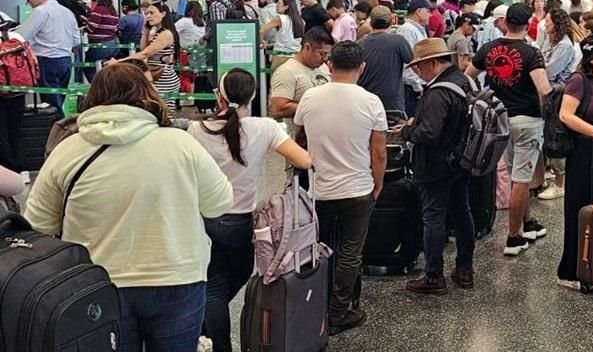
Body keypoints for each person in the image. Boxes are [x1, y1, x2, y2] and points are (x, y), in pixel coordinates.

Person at [24, 62, 233, 352]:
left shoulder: (67, 150)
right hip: (177, 276)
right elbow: (220, 203)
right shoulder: (179, 144)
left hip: (97, 283)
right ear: (148, 95)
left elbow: (37, 224)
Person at [188, 68, 311, 352]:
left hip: (203, 219)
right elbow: (304, 161)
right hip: (240, 220)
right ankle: (212, 327)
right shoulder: (264, 128)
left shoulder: (197, 130)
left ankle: (214, 335)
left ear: (219, 96)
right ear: (253, 95)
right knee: (239, 273)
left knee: (214, 284)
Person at [294, 41, 387, 335]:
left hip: (321, 189)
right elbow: (379, 151)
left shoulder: (310, 97)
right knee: (350, 251)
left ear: (330, 65)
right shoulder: (371, 101)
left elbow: (300, 138)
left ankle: (315, 304)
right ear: (362, 67)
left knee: (320, 248)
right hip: (358, 188)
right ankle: (338, 312)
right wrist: (378, 182)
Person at [467, 3, 552, 257]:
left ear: (505, 23)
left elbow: (469, 76)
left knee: (517, 174)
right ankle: (513, 237)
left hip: (500, 120)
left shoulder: (488, 49)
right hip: (527, 119)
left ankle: (528, 222)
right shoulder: (531, 52)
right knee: (521, 178)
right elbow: (544, 89)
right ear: (527, 25)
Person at [401, 38, 476, 295]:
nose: (416, 71)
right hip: (461, 160)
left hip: (435, 165)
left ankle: (434, 276)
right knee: (462, 212)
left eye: (419, 66)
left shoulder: (437, 92)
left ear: (432, 63)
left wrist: (408, 130)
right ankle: (465, 269)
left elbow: (429, 133)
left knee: (433, 217)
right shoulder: (463, 81)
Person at [554, 34, 593, 290]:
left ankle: (592, 262)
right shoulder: (578, 81)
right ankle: (569, 270)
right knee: (579, 207)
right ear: (592, 58)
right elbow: (566, 115)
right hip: (582, 150)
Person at [538, 8, 583, 202]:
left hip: (559, 94)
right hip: (550, 94)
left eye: (548, 21)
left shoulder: (564, 46)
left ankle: (559, 183)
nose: (544, 24)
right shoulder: (551, 41)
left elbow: (548, 71)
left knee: (557, 136)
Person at [18, 0, 81, 116]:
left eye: (29, 2)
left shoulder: (40, 11)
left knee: (52, 106)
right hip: (65, 61)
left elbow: (22, 36)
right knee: (59, 100)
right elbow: (77, 40)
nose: (29, 5)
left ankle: (59, 131)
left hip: (47, 61)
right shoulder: (66, 11)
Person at [270, 27, 334, 135]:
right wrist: (315, 105)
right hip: (301, 138)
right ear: (307, 47)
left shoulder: (323, 67)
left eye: (327, 54)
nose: (325, 58)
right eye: (322, 54)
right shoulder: (286, 72)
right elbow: (278, 109)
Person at [121, 2, 181, 110]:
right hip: (157, 76)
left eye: (152, 13)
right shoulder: (156, 32)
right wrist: (145, 31)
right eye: (146, 13)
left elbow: (144, 53)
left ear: (163, 14)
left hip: (164, 79)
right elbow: (143, 49)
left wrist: (118, 62)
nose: (148, 16)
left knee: (165, 112)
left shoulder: (166, 34)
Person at [358, 6, 414, 112]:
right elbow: (414, 64)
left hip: (366, 102)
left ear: (371, 22)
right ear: (391, 21)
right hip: (393, 104)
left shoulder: (359, 44)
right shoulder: (399, 41)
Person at [397, 0, 432, 117]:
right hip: (411, 86)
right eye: (428, 11)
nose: (430, 15)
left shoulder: (419, 29)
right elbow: (410, 61)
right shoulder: (407, 30)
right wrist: (417, 84)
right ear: (418, 12)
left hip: (420, 82)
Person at [82, 0, 120, 83]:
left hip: (100, 45)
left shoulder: (98, 10)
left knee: (89, 67)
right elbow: (116, 27)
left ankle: (97, 87)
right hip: (114, 43)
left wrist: (83, 28)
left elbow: (91, 28)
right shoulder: (112, 10)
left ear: (96, 1)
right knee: (106, 69)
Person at [260, 0, 304, 70]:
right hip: (296, 56)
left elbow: (261, 31)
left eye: (279, 3)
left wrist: (262, 43)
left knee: (277, 79)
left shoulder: (280, 18)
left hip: (281, 56)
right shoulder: (301, 21)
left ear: (286, 7)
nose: (276, 6)